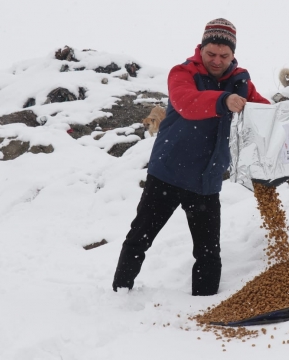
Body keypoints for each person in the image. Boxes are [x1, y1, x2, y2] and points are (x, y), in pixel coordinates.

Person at [112, 18, 270, 296]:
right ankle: (119, 294)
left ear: (233, 54)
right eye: (211, 54)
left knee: (209, 252)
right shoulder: (182, 73)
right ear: (201, 48)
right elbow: (187, 103)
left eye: (224, 55)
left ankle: (205, 304)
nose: (217, 60)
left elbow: (265, 112)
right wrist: (223, 100)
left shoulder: (240, 82)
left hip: (205, 181)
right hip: (168, 173)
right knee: (140, 237)